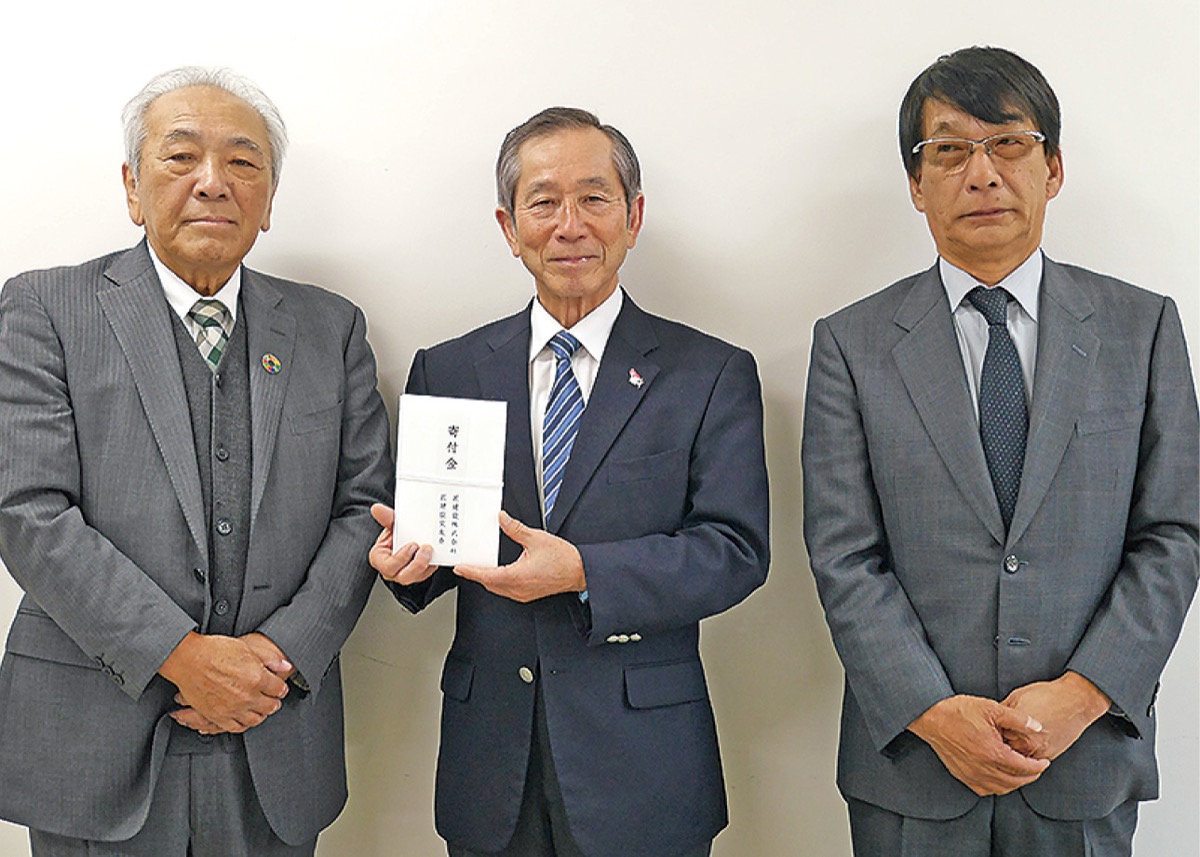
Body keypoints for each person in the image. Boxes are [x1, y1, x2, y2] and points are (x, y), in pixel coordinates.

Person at [801, 46, 1199, 856]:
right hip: (913, 769)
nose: (981, 174)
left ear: (1053, 168)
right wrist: (934, 712)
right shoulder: (850, 343)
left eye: (1009, 144)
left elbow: (1174, 532)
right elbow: (844, 553)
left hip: (1084, 760)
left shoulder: (1143, 327)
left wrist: (1083, 694)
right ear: (917, 185)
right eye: (949, 150)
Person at [0, 67, 392, 856]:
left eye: (243, 162)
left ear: (269, 200)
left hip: (274, 726)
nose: (213, 181)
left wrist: (273, 660)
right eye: (181, 157)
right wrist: (181, 656)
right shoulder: (44, 308)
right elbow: (28, 511)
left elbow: (365, 507)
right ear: (132, 187)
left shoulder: (331, 327)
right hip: (93, 741)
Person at [369, 107, 770, 857]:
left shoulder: (709, 373)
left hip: (645, 761)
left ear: (633, 216)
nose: (570, 225)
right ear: (509, 226)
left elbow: (735, 551)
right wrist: (407, 566)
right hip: (491, 760)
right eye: (544, 202)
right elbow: (438, 551)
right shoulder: (449, 370)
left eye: (593, 198)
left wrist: (585, 570)